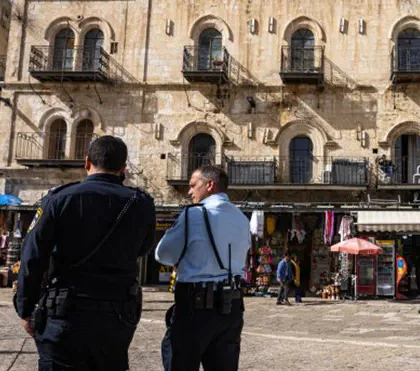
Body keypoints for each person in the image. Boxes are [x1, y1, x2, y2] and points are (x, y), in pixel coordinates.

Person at [14, 136, 156, 370]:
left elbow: (33, 256)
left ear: (87, 162)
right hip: (118, 314)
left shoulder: (59, 199)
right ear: (123, 168)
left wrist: (25, 308)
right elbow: (144, 249)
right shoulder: (141, 203)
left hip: (66, 312)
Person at [156, 166, 250, 371]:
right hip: (231, 306)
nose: (190, 191)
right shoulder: (242, 218)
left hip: (196, 306)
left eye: (193, 185)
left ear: (210, 185)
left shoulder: (193, 215)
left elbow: (163, 254)